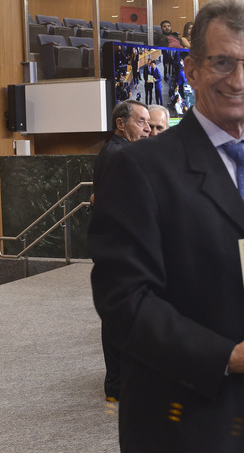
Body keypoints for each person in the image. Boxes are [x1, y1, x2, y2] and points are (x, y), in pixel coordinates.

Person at [89, 0, 244, 452]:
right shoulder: (140, 167)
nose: (239, 79)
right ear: (192, 70)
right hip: (182, 418)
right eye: (222, 62)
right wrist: (229, 357)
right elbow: (123, 302)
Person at [90, 99, 151, 401]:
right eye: (141, 121)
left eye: (149, 123)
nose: (147, 128)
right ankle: (116, 384)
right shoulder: (121, 155)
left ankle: (117, 382)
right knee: (118, 318)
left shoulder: (114, 151)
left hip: (117, 247)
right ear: (121, 123)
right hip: (121, 249)